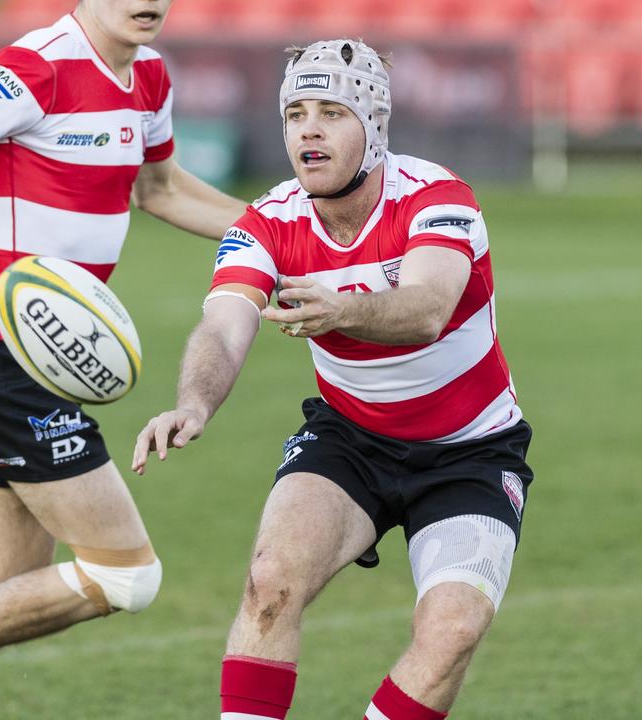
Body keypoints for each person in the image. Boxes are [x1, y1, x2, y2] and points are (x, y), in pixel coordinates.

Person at [0, 1, 246, 718]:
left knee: (6, 586)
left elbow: (162, 190)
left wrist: (274, 242)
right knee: (127, 576)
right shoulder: (37, 66)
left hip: (44, 360)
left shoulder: (148, 76)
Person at [133, 39, 534, 720]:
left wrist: (342, 307)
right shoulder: (267, 222)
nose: (308, 129)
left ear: (374, 126)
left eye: (331, 112)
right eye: (294, 114)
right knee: (269, 586)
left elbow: (428, 309)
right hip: (350, 440)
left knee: (452, 629)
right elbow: (226, 325)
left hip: (470, 451)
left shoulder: (439, 199)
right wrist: (192, 403)